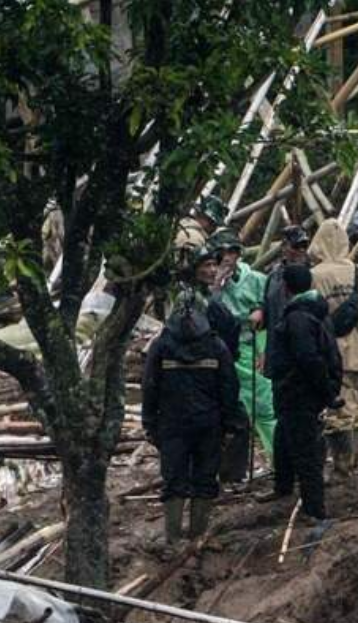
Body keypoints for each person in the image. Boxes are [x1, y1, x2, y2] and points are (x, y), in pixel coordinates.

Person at [139, 291, 245, 549]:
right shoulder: (216, 346)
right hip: (209, 424)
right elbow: (229, 387)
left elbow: (149, 386)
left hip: (172, 424)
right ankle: (198, 536)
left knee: (173, 480)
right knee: (205, 478)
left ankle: (173, 539)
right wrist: (230, 423)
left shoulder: (161, 346)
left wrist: (149, 423)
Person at [267, 261, 343, 540]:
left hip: (299, 392)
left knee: (306, 451)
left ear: (286, 288)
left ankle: (316, 510)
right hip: (299, 392)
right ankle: (283, 486)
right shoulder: (314, 313)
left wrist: (325, 392)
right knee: (285, 437)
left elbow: (308, 358)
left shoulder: (298, 318)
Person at [305, 218, 358, 473]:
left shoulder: (316, 276)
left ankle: (343, 465)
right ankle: (355, 461)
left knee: (340, 412)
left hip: (338, 352)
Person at [211, 231, 275, 488]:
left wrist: (261, 316)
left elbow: (269, 311)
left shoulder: (256, 280)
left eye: (232, 253)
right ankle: (226, 471)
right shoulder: (207, 285)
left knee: (263, 405)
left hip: (250, 347)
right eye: (222, 254)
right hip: (220, 351)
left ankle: (278, 458)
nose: (228, 259)